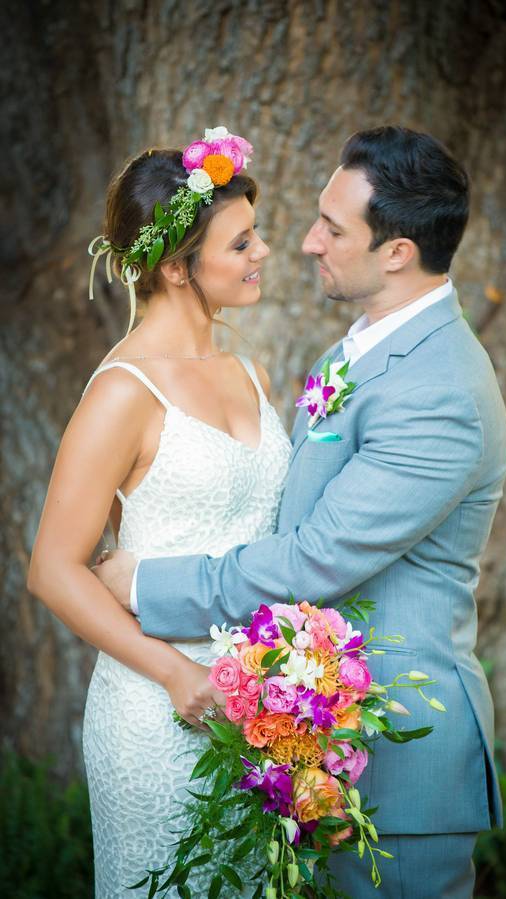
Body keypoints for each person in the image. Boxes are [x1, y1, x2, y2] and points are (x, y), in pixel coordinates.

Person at [97, 125, 506, 898]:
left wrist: (146, 582)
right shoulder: (361, 352)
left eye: (333, 228)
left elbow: (316, 556)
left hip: (400, 765)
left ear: (397, 252)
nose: (307, 242)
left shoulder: (440, 392)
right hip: (307, 743)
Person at [27, 128, 291, 897]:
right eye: (240, 243)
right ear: (176, 267)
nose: (263, 251)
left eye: (256, 234)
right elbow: (53, 569)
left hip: (263, 712)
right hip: (160, 710)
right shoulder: (123, 392)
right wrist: (179, 675)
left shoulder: (251, 370)